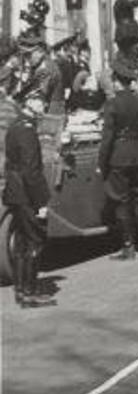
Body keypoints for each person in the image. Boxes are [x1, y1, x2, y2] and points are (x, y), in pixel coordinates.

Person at [98, 59, 138, 259]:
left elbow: (107, 138)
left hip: (119, 157)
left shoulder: (112, 104)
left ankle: (128, 245)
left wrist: (101, 163)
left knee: (122, 201)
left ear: (116, 81)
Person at [3, 93, 55, 307]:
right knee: (35, 240)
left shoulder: (16, 125)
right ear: (29, 103)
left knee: (23, 242)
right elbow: (31, 170)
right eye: (38, 101)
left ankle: (21, 291)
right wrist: (41, 202)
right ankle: (29, 292)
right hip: (26, 192)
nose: (42, 104)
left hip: (16, 190)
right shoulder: (26, 129)